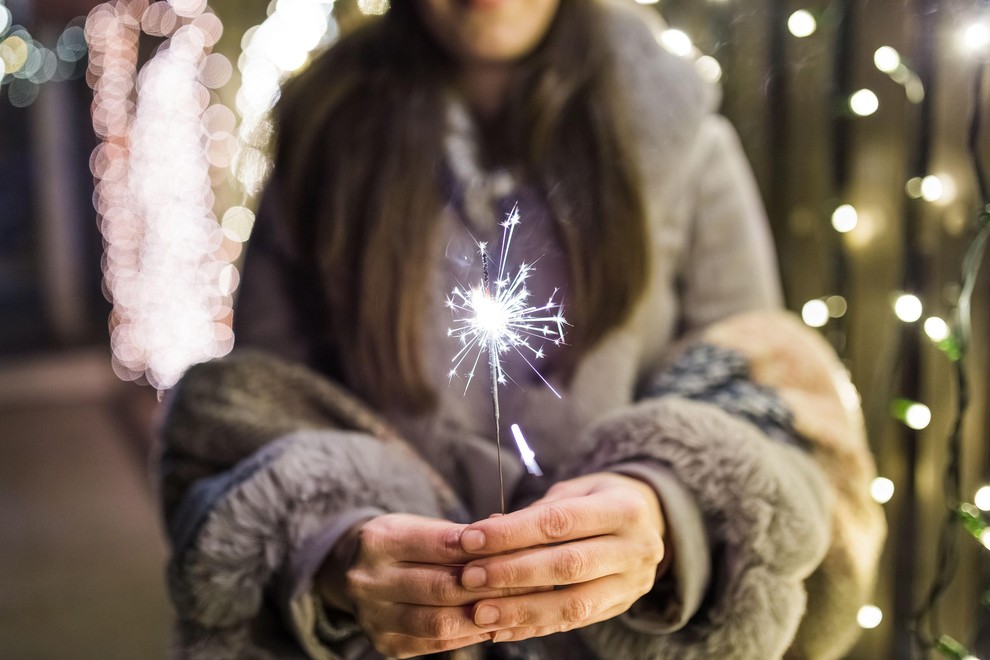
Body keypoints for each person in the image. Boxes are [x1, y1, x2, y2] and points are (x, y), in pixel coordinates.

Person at [157, 1, 886, 658]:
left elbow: (757, 396)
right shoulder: (324, 136)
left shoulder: (688, 143)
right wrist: (335, 551)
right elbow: (254, 420)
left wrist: (668, 511)